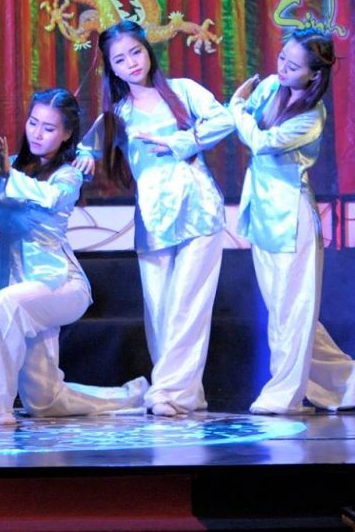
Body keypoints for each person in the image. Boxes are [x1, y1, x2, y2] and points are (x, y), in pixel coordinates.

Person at [74, 20, 235, 416]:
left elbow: (224, 120)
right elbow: (87, 147)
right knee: (160, 309)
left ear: (148, 50)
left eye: (136, 52)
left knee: (188, 305)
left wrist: (180, 141)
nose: (131, 63)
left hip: (198, 208)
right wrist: (85, 157)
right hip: (154, 217)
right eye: (120, 59)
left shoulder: (183, 91)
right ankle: (184, 393)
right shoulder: (119, 114)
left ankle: (168, 393)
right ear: (111, 68)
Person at [230, 29, 355, 415]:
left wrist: (236, 107)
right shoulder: (270, 87)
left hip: (291, 218)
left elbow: (260, 141)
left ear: (313, 74)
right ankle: (349, 384)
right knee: (285, 313)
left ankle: (284, 396)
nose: (282, 68)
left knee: (293, 312)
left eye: (293, 66)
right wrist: (236, 112)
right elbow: (243, 120)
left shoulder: (311, 117)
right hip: (263, 212)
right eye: (282, 58)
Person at [0, 88, 149, 424]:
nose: (37, 133)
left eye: (49, 128)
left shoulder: (68, 174)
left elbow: (50, 197)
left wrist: (9, 174)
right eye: (33, 123)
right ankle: (132, 396)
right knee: (43, 400)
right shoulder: (12, 166)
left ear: (67, 134)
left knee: (5, 304)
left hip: (60, 285)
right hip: (22, 288)